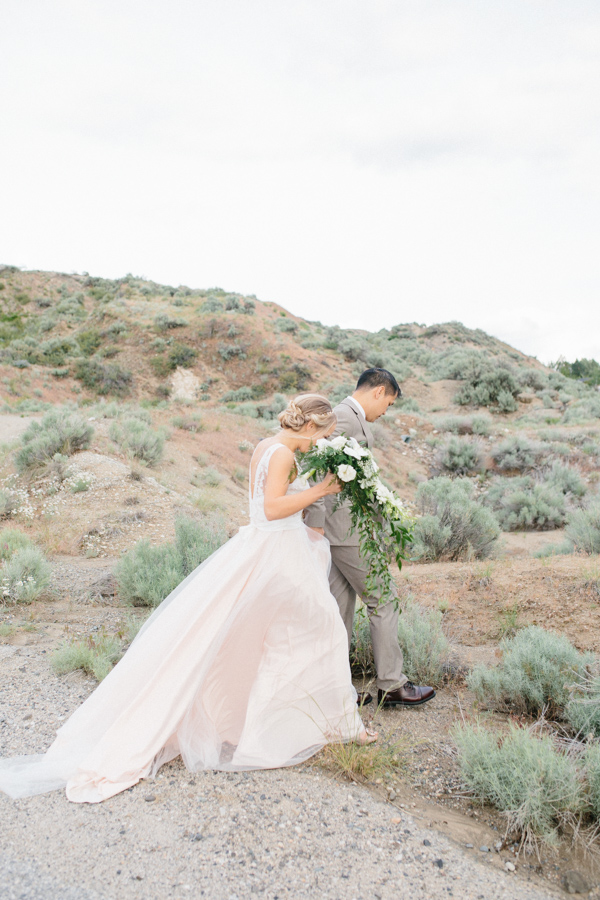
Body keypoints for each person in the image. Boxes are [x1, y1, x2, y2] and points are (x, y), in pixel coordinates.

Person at [0, 394, 375, 805]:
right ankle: (314, 726)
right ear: (309, 427)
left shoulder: (266, 447)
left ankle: (310, 721)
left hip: (269, 550)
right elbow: (269, 509)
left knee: (269, 636)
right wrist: (320, 490)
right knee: (319, 629)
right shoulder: (284, 454)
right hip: (277, 555)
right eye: (323, 434)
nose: (321, 442)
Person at [304, 369, 435, 709]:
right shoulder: (343, 418)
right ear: (378, 392)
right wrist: (317, 523)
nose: (385, 412)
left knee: (340, 608)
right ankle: (392, 684)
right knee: (384, 598)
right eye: (388, 404)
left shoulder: (347, 417)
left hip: (342, 528)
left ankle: (333, 689)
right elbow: (314, 467)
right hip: (344, 530)